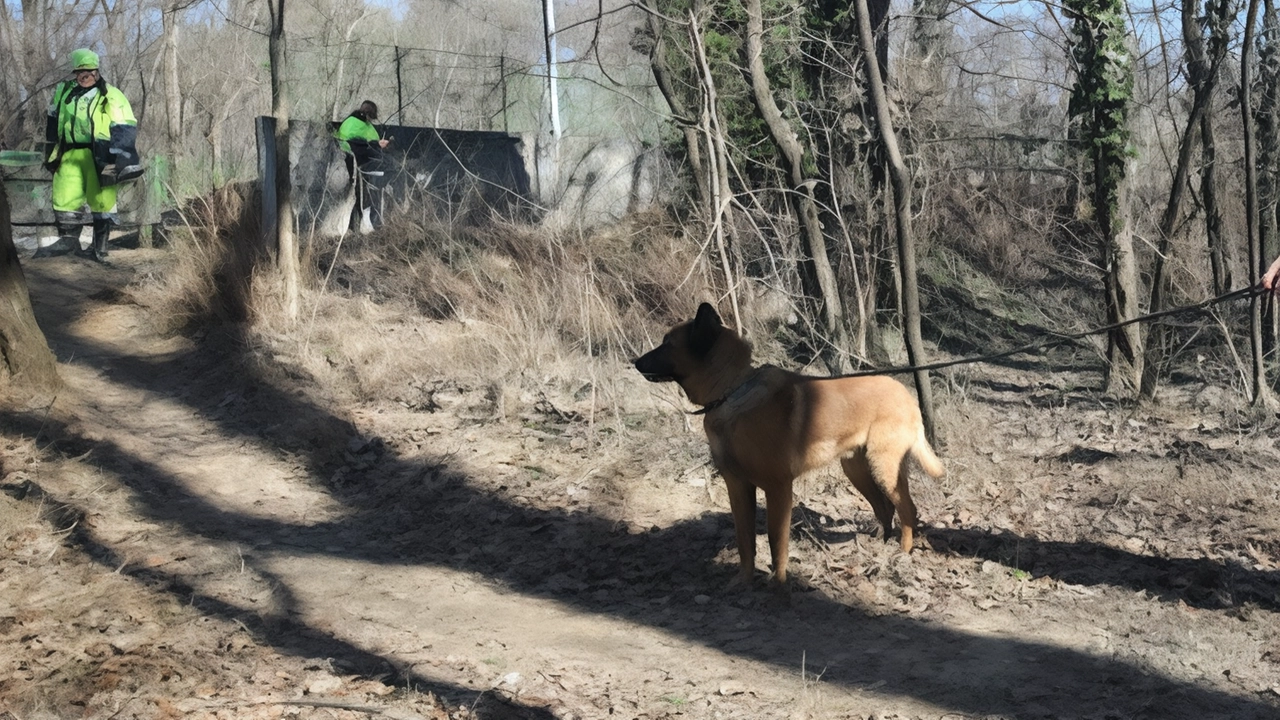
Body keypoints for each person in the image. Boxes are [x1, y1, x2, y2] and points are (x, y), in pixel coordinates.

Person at [36, 48, 141, 263]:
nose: (84, 77)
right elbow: (52, 122)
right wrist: (49, 153)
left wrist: (120, 157)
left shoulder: (111, 94)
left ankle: (99, 249)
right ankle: (69, 242)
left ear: (97, 71)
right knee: (64, 197)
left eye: (88, 72)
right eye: (80, 73)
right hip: (68, 153)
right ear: (74, 73)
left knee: (102, 198)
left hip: (102, 155)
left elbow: (125, 126)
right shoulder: (64, 92)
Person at [335, 100, 391, 232]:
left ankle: (356, 227)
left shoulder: (359, 123)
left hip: (362, 165)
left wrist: (378, 144)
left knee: (362, 197)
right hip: (353, 165)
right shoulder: (353, 125)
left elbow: (368, 142)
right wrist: (377, 145)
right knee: (358, 197)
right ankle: (354, 227)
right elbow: (355, 146)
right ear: (367, 115)